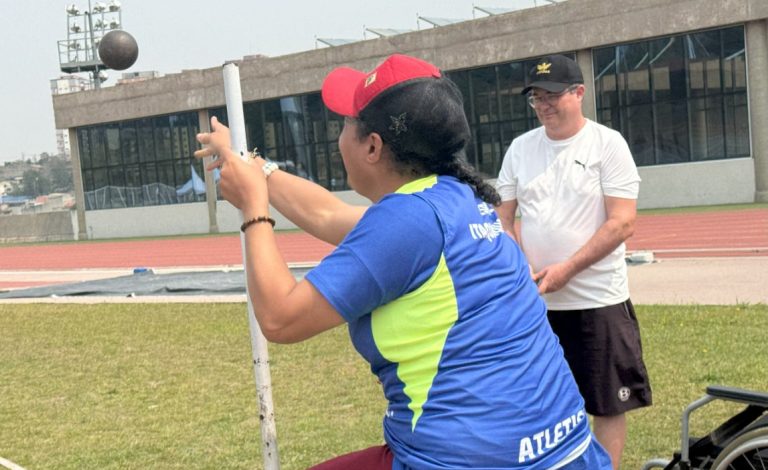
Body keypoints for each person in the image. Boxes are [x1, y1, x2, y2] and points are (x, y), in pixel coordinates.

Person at [196, 54, 611, 469]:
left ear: (373, 146)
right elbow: (327, 215)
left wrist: (254, 207)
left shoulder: (409, 221)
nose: (339, 136)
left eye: (346, 124)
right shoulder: (454, 200)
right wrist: (252, 165)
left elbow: (280, 319)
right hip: (566, 452)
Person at [495, 54, 652, 469]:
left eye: (552, 95)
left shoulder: (607, 144)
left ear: (579, 93)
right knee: (540, 404)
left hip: (599, 300)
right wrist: (518, 267)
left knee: (607, 404)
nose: (544, 105)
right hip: (537, 305)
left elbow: (622, 223)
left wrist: (568, 269)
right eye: (536, 98)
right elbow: (503, 218)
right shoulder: (520, 149)